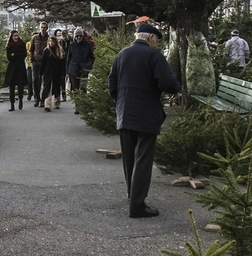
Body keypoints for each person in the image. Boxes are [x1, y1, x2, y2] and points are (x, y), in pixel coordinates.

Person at [108, 23, 182, 218]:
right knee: (143, 160)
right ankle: (138, 206)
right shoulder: (153, 56)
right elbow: (167, 82)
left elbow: (112, 84)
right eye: (156, 39)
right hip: (147, 115)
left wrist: (121, 102)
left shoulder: (122, 54)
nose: (156, 44)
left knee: (129, 159)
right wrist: (175, 89)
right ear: (149, 37)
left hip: (124, 113)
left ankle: (132, 195)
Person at [65, 27, 95, 113]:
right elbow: (68, 58)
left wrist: (89, 65)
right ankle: (78, 106)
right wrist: (67, 71)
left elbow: (91, 56)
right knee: (75, 89)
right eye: (77, 36)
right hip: (73, 69)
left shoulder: (87, 44)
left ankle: (84, 105)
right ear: (74, 37)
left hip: (84, 68)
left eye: (80, 36)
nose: (78, 38)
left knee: (83, 88)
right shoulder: (72, 45)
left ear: (82, 36)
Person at [4, 30, 29, 111]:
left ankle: (21, 100)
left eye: (17, 36)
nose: (16, 37)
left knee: (20, 85)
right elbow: (9, 57)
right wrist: (18, 55)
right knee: (12, 86)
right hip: (12, 67)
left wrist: (15, 54)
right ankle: (12, 104)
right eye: (14, 36)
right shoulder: (9, 46)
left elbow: (24, 55)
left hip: (20, 66)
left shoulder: (22, 44)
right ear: (11, 37)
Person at [40, 35, 65, 110]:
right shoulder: (46, 51)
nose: (51, 43)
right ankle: (47, 104)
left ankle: (57, 102)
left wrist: (63, 73)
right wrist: (41, 73)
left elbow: (62, 63)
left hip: (56, 72)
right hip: (48, 72)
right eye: (50, 41)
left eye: (53, 41)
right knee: (48, 87)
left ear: (55, 42)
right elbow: (43, 63)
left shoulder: (59, 50)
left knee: (57, 87)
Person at [29, 21, 50, 107]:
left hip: (45, 62)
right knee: (36, 80)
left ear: (47, 28)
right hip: (36, 61)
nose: (43, 29)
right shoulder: (35, 38)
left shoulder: (49, 38)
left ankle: (43, 99)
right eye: (41, 27)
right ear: (39, 28)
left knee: (45, 81)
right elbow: (31, 49)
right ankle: (36, 97)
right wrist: (31, 59)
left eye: (44, 27)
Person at [58, 29, 71, 101]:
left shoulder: (71, 42)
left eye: (65, 36)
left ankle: (72, 93)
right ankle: (63, 95)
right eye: (63, 36)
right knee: (62, 80)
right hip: (62, 63)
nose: (64, 38)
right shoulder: (60, 43)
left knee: (71, 79)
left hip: (70, 62)